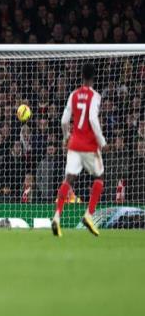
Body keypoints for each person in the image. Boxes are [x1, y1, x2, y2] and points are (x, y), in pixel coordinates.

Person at [52, 64, 107, 237]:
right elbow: (92, 118)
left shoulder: (73, 95)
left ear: (81, 76)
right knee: (99, 177)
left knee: (69, 179)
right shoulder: (95, 96)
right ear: (93, 78)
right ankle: (89, 215)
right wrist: (102, 141)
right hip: (89, 145)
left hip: (74, 144)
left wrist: (66, 137)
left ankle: (57, 216)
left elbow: (64, 120)